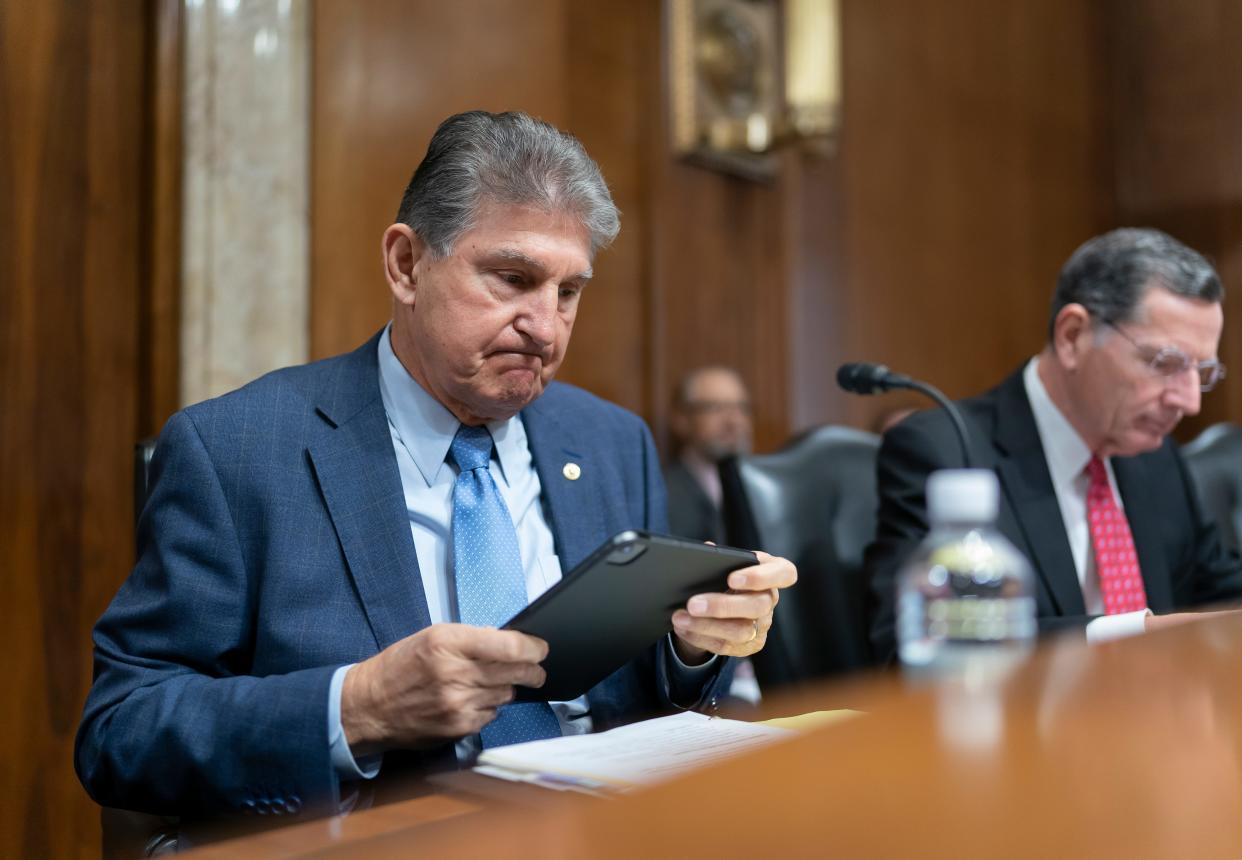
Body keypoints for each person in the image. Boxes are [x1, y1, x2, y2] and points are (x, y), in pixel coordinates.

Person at [75, 111, 796, 820]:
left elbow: (640, 697)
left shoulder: (609, 440)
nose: (545, 326)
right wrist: (355, 707)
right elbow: (122, 730)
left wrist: (692, 645)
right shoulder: (238, 449)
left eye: (568, 291)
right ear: (406, 264)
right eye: (512, 278)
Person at [866, 228, 1242, 663]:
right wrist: (1133, 634)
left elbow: (1218, 587)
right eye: (1166, 363)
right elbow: (916, 645)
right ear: (1072, 337)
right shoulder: (945, 453)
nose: (1189, 401)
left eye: (1201, 372)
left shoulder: (1154, 455)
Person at [665, 367, 753, 543]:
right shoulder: (662, 489)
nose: (734, 421)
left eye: (741, 407)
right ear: (681, 419)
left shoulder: (764, 486)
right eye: (715, 408)